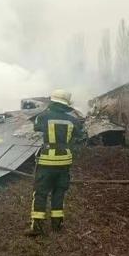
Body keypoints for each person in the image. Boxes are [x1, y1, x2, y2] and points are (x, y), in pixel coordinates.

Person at [27, 89, 83, 237]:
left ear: (52, 101)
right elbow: (80, 134)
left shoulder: (43, 116)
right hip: (64, 162)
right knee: (59, 192)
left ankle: (37, 227)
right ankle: (57, 225)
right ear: (66, 104)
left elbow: (36, 127)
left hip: (46, 162)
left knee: (41, 193)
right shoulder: (73, 120)